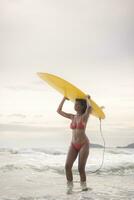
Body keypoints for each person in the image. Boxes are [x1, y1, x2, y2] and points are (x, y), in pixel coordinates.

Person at [57, 95, 92, 193]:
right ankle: (70, 188)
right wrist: (64, 98)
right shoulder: (72, 116)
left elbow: (89, 108)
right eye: (75, 104)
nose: (75, 105)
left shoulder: (85, 116)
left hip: (83, 144)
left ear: (82, 106)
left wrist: (87, 99)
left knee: (81, 168)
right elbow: (59, 111)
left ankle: (84, 190)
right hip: (73, 144)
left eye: (77, 104)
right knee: (67, 166)